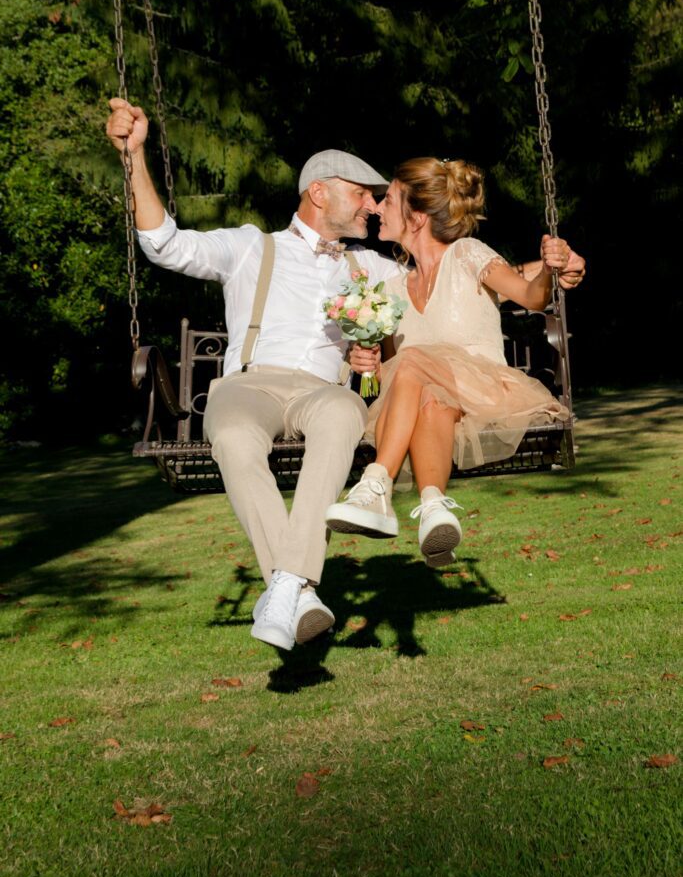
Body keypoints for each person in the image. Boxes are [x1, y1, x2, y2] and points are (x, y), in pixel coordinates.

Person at [106, 101, 583, 648]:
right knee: (234, 437)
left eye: (379, 197)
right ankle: (295, 586)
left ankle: (311, 560)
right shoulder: (247, 247)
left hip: (323, 394)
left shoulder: (374, 268)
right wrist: (134, 157)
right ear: (319, 193)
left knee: (340, 417)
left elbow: (461, 272)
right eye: (361, 193)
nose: (374, 204)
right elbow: (164, 244)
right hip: (248, 383)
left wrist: (559, 269)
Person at [325, 157, 575, 567]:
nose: (377, 208)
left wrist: (548, 269)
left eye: (388, 200)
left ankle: (376, 484)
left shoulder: (467, 254)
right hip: (435, 406)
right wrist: (366, 365)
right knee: (425, 393)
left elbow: (532, 297)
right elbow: (392, 380)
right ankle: (435, 509)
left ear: (417, 216)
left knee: (412, 362)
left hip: (485, 390)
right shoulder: (389, 289)